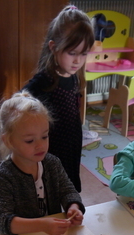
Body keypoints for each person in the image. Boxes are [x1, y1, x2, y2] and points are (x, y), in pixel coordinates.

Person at [0, 91, 85, 235]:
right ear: (9, 141)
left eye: (44, 136)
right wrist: (41, 225)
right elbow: (0, 219)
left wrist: (73, 206)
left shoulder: (52, 163)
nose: (40, 146)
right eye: (30, 140)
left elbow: (68, 191)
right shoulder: (2, 177)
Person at [23, 5, 95, 192]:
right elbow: (19, 102)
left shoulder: (74, 77)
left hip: (71, 144)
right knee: (50, 192)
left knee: (68, 188)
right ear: (54, 48)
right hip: (51, 150)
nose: (78, 61)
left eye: (83, 53)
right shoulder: (44, 81)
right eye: (72, 53)